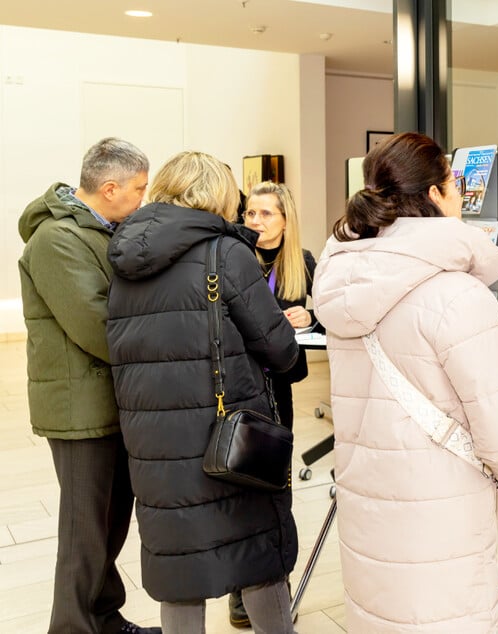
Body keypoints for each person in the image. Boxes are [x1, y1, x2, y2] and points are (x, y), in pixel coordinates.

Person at [313, 132, 498, 632]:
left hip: (369, 514)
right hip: (444, 529)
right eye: (454, 183)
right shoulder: (457, 295)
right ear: (436, 195)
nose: (461, 195)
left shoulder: (345, 286)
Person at [104, 151, 299, 633]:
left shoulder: (125, 257)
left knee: (180, 565)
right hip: (224, 434)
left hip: (153, 442)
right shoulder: (226, 252)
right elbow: (277, 346)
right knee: (258, 558)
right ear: (215, 195)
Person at [17, 137, 157, 634]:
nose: (143, 198)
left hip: (107, 400)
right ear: (112, 187)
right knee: (84, 533)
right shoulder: (57, 239)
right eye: (139, 189)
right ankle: (72, 627)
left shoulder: (99, 230)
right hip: (79, 409)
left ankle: (103, 617)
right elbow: (97, 324)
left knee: (110, 524)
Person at [228, 180, 317, 628]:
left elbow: (320, 316)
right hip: (239, 385)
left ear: (286, 221)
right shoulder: (234, 255)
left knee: (276, 487)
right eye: (251, 214)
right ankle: (241, 594)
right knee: (239, 485)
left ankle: (271, 586)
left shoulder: (300, 262)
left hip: (278, 389)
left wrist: (308, 316)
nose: (256, 222)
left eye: (266, 214)